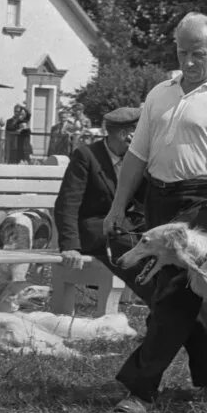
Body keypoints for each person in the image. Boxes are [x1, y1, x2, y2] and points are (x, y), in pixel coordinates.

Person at [102, 13, 207, 413]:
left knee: (173, 296)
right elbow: (136, 156)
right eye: (182, 52)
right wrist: (118, 206)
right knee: (175, 297)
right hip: (158, 200)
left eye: (199, 53)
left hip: (200, 206)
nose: (189, 61)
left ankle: (140, 390)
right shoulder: (160, 93)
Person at [54, 106, 146, 292]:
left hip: (124, 228)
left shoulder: (136, 158)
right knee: (130, 244)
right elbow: (67, 204)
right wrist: (71, 246)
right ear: (124, 135)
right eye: (140, 133)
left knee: (157, 240)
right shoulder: (86, 156)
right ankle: (150, 294)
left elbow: (144, 199)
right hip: (95, 230)